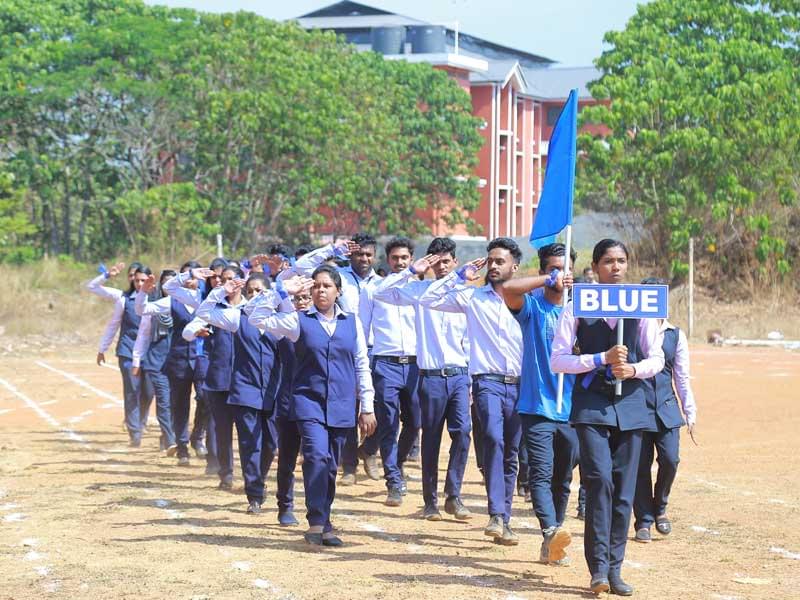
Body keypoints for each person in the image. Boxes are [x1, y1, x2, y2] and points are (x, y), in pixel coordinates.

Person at [551, 239, 665, 596]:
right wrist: (599, 358)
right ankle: (597, 568)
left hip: (631, 407)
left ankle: (615, 569)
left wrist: (633, 369)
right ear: (596, 268)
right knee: (599, 481)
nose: (615, 267)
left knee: (624, 491)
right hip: (591, 405)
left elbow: (657, 357)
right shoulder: (577, 306)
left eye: (621, 261)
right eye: (607, 261)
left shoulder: (642, 307)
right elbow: (558, 359)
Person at [248, 266, 377, 546]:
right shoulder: (298, 321)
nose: (320, 290)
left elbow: (361, 365)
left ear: (338, 291)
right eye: (316, 285)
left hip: (342, 404)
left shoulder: (351, 323)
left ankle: (325, 521)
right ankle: (317, 521)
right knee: (316, 457)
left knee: (331, 465)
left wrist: (367, 405)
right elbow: (256, 316)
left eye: (327, 286)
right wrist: (282, 291)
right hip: (308, 403)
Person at [419, 237, 524, 546]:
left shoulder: (526, 301)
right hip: (487, 382)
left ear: (514, 267)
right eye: (489, 260)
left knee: (512, 454)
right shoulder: (472, 298)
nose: (492, 265)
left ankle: (503, 518)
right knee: (492, 439)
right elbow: (428, 299)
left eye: (499, 261)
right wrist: (456, 275)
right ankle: (494, 514)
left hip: (520, 386)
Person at [372, 237, 472, 521]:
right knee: (429, 439)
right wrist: (411, 271)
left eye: (446, 261)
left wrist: (472, 381)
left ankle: (453, 495)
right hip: (429, 377)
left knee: (463, 433)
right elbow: (380, 292)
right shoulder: (418, 290)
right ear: (429, 262)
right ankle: (430, 502)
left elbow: (472, 341)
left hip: (459, 376)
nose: (441, 266)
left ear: (454, 262)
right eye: (435, 261)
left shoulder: (465, 293)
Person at [503, 243, 579, 565]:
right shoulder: (533, 308)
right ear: (544, 271)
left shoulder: (581, 310)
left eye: (564, 268)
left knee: (563, 478)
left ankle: (554, 535)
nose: (560, 274)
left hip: (573, 408)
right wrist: (545, 282)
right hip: (537, 406)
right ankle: (549, 530)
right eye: (553, 268)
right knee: (541, 474)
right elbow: (507, 289)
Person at [196, 272, 282, 514]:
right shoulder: (237, 318)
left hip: (274, 392)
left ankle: (259, 480)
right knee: (250, 443)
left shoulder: (283, 321)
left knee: (271, 445)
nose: (254, 296)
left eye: (260, 291)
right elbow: (203, 313)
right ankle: (254, 494)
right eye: (250, 291)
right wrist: (222, 290)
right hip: (245, 390)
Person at [633, 277, 697, 543]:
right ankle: (644, 521)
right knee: (639, 466)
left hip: (667, 408)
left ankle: (661, 506)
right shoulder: (631, 328)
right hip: (637, 407)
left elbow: (682, 377)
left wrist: (690, 412)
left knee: (671, 460)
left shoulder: (675, 334)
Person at [358, 236, 420, 506]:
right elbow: (363, 326)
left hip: (416, 364)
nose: (400, 262)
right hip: (385, 363)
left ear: (412, 259)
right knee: (389, 422)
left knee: (415, 421)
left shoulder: (420, 289)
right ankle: (393, 480)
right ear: (388, 260)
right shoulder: (374, 289)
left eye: (404, 258)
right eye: (395, 258)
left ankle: (394, 462)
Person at [136, 262, 205, 466]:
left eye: (193, 276)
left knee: (206, 400)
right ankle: (182, 447)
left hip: (202, 359)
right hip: (178, 360)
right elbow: (143, 309)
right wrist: (143, 292)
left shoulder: (209, 299)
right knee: (179, 404)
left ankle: (197, 436)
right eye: (186, 276)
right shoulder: (172, 301)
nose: (191, 280)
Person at [94, 263, 150, 447]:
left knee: (148, 391)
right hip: (127, 351)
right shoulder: (124, 299)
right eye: (136, 279)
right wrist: (102, 348)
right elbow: (113, 324)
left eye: (143, 280)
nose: (139, 283)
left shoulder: (157, 300)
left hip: (151, 354)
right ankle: (135, 431)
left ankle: (140, 422)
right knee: (132, 390)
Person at [131, 269, 177, 454]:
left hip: (177, 360)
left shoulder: (186, 307)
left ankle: (167, 436)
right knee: (164, 401)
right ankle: (171, 439)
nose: (169, 287)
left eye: (173, 284)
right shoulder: (155, 307)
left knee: (176, 402)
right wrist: (136, 360)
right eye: (166, 284)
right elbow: (143, 334)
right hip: (157, 360)